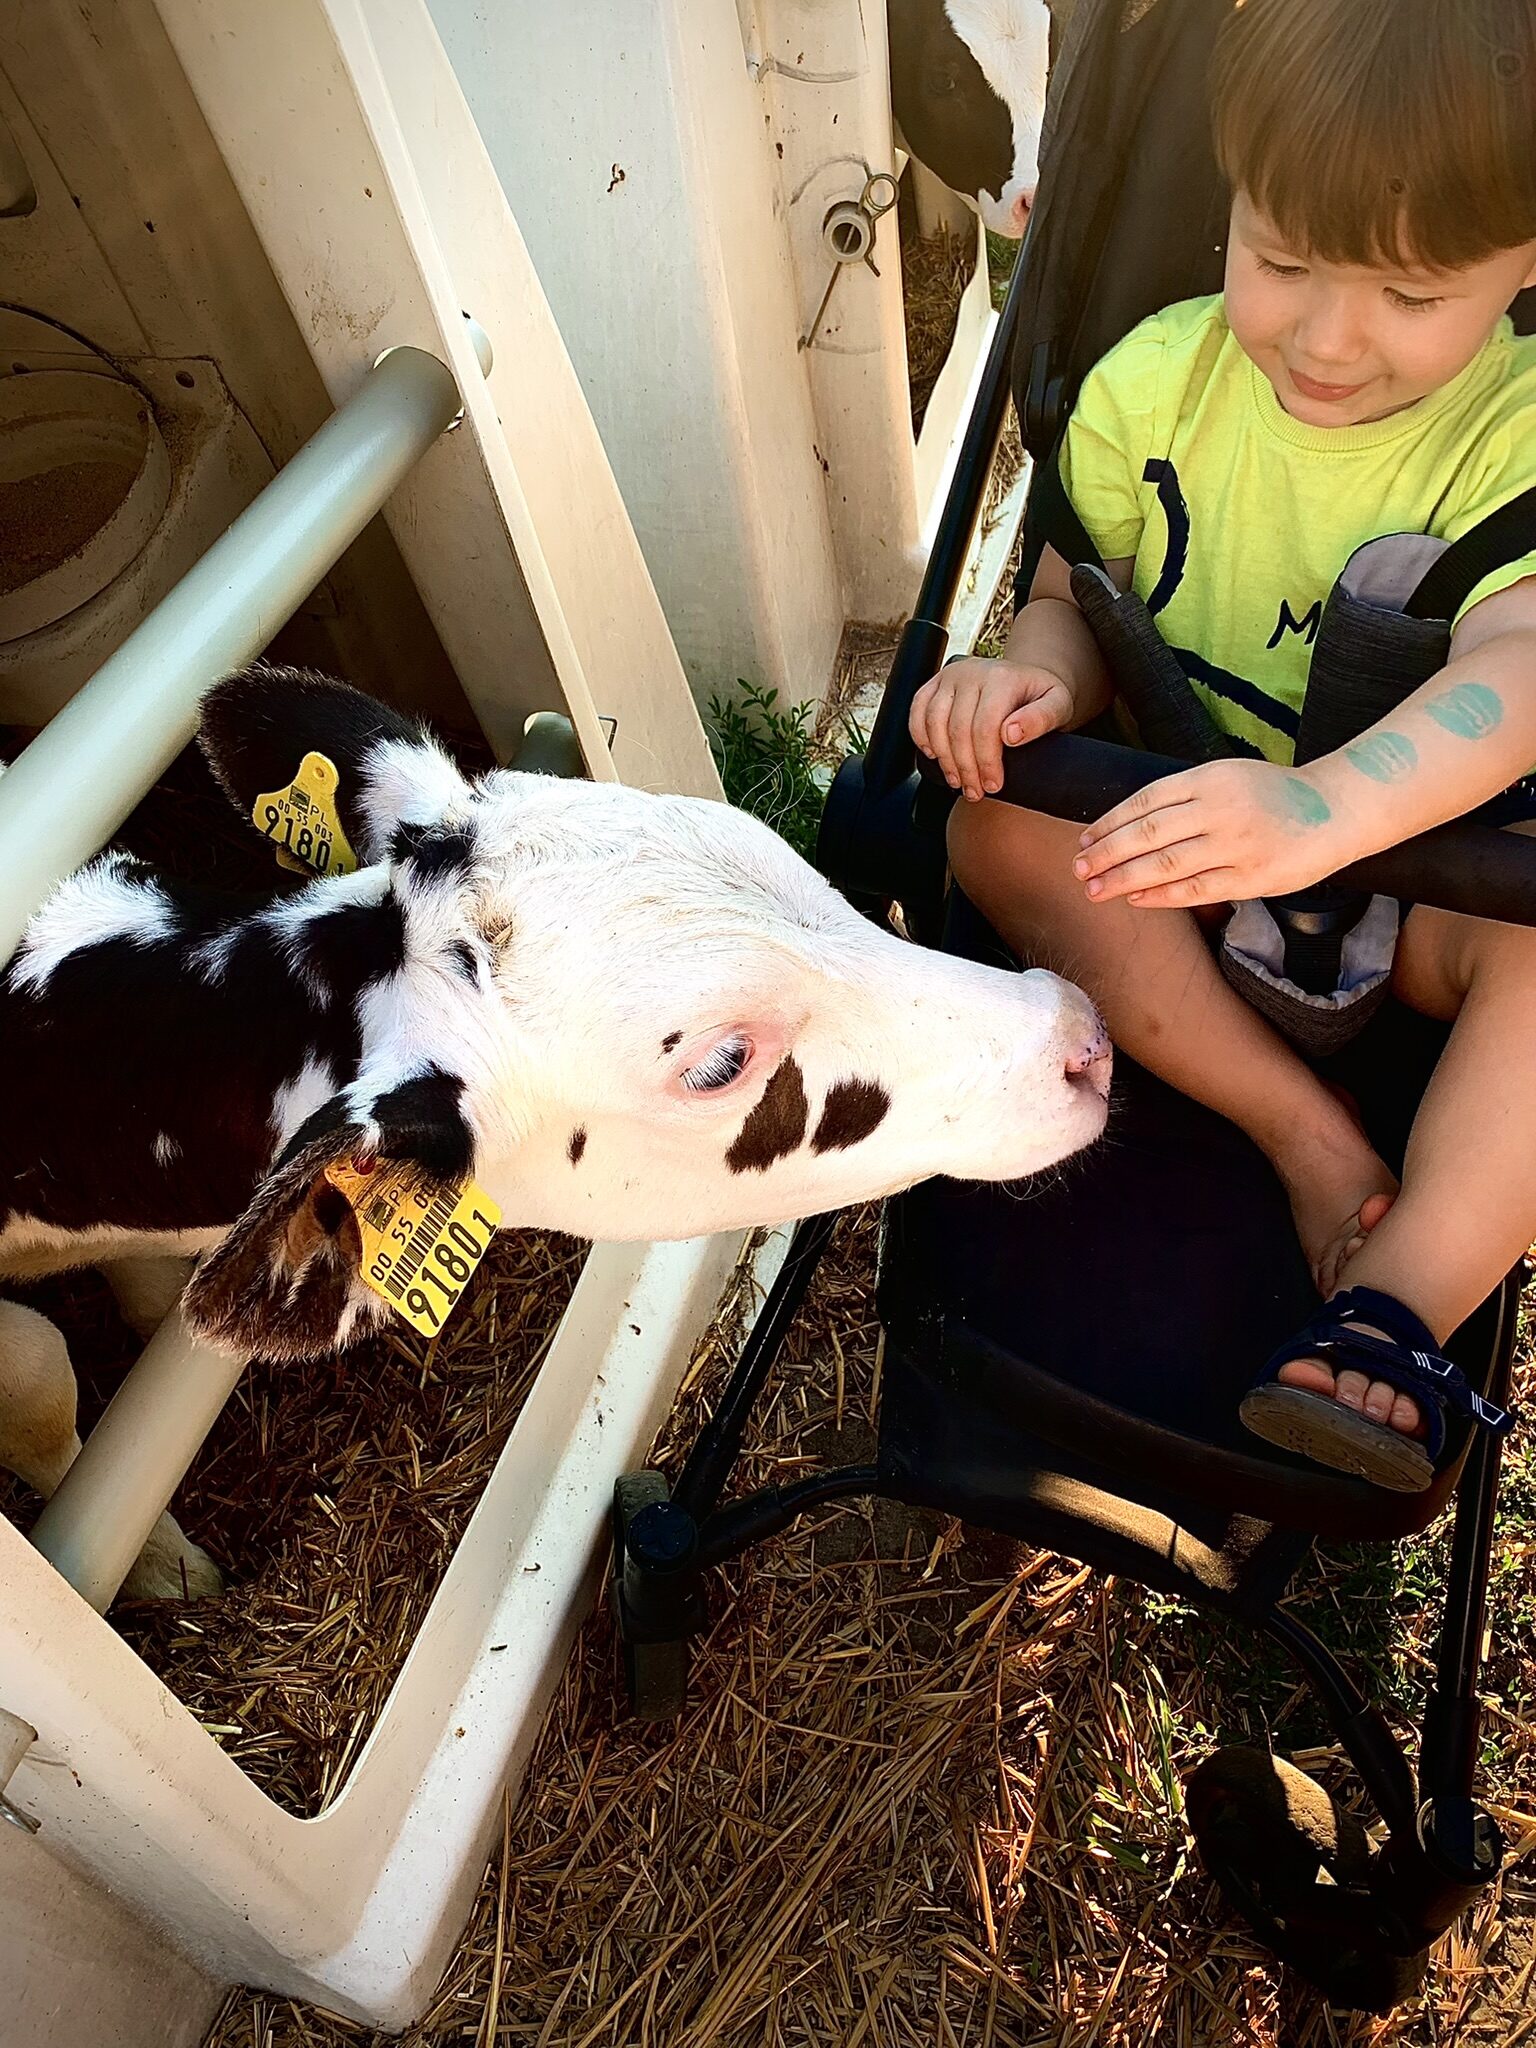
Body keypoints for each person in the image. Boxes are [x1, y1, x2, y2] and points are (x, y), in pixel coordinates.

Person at [910, 0, 1536, 1490]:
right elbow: (1072, 600)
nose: (1327, 337)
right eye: (1283, 259)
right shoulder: (1152, 384)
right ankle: (1306, 1135)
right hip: (1173, 866)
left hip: (1430, 893)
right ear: (1231, 198)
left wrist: (1327, 809)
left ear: (1524, 265)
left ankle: (1398, 1304)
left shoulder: (1512, 437)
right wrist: (1030, 684)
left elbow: (1520, 665)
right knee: (992, 827)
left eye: (1408, 293)